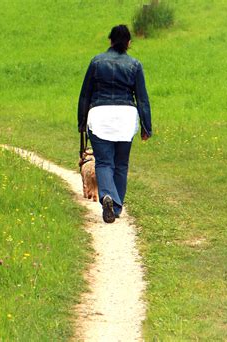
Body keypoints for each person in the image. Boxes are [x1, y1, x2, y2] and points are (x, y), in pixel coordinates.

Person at [77, 24, 152, 223]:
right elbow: (142, 98)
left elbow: (85, 94)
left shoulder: (96, 62)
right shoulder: (134, 65)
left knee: (103, 162)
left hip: (100, 115)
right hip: (125, 117)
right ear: (129, 43)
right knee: (121, 164)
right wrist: (146, 127)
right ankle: (116, 207)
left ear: (110, 41)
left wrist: (81, 122)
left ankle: (106, 196)